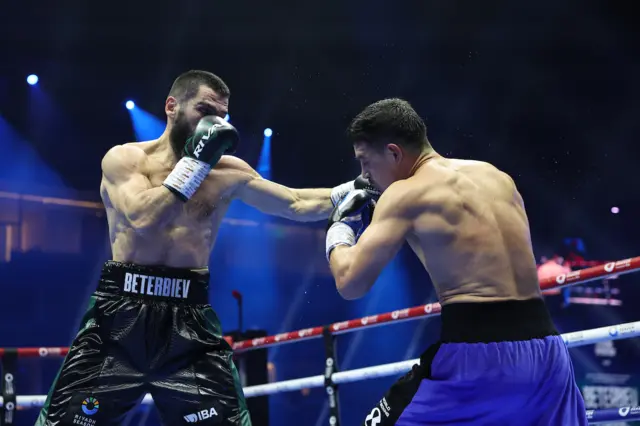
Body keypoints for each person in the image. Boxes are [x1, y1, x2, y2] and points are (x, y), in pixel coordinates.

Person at [36, 70, 376, 426]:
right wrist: (194, 165)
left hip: (189, 321)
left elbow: (294, 202)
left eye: (221, 116)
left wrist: (358, 189)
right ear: (172, 106)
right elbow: (141, 217)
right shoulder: (125, 160)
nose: (213, 121)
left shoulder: (227, 171)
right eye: (204, 110)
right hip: (119, 317)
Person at [325, 98, 588, 425]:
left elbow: (350, 283)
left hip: (480, 358)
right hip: (549, 354)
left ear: (393, 153)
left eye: (365, 162)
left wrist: (340, 228)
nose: (363, 176)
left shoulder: (406, 193)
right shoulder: (495, 176)